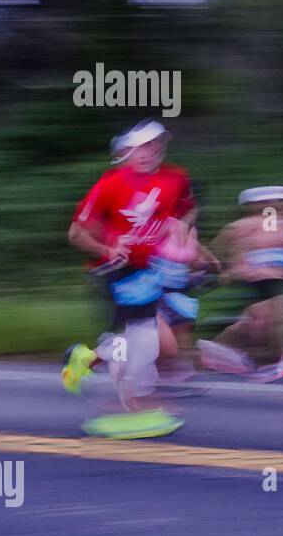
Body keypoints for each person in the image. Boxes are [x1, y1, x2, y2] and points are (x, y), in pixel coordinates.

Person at [60, 119, 193, 438]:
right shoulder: (110, 183)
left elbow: (187, 210)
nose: (148, 152)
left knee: (151, 342)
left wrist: (180, 231)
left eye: (153, 145)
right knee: (145, 339)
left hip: (150, 271)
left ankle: (86, 359)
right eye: (139, 147)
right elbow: (75, 234)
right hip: (116, 269)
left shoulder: (175, 179)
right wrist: (107, 247)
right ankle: (130, 402)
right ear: (125, 152)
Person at [200, 187, 283, 382]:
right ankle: (280, 361)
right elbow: (218, 253)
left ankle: (214, 350)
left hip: (280, 278)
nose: (280, 204)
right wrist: (235, 265)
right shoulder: (239, 226)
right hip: (255, 279)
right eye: (274, 200)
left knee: (255, 323)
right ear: (257, 204)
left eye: (282, 200)